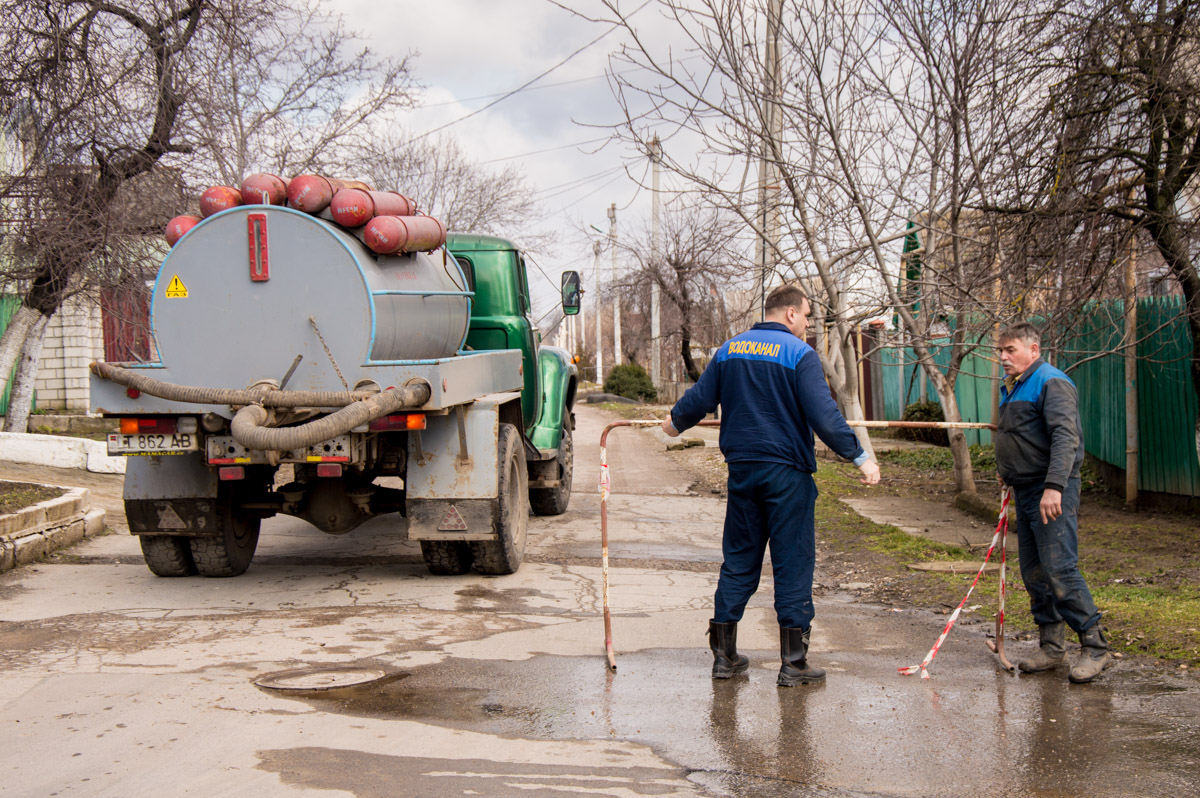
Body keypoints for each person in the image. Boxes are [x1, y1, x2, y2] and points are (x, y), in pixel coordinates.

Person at [662, 284, 881, 686]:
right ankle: (793, 663)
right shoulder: (800, 354)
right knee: (792, 562)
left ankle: (724, 658)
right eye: (808, 314)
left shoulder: (729, 350)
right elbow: (824, 415)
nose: (810, 323)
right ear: (791, 314)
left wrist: (674, 423)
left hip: (742, 471)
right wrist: (860, 456)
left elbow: (699, 397)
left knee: (740, 560)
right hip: (787, 474)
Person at [995, 322, 1111, 683]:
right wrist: (1008, 469)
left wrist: (1054, 487)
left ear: (1033, 348)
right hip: (1026, 490)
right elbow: (1023, 435)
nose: (1003, 357)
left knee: (1059, 569)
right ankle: (1051, 648)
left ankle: (1094, 646)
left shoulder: (1051, 381)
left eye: (1010, 350)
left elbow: (1066, 438)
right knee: (1034, 573)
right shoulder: (1015, 387)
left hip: (1051, 492)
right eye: (1000, 351)